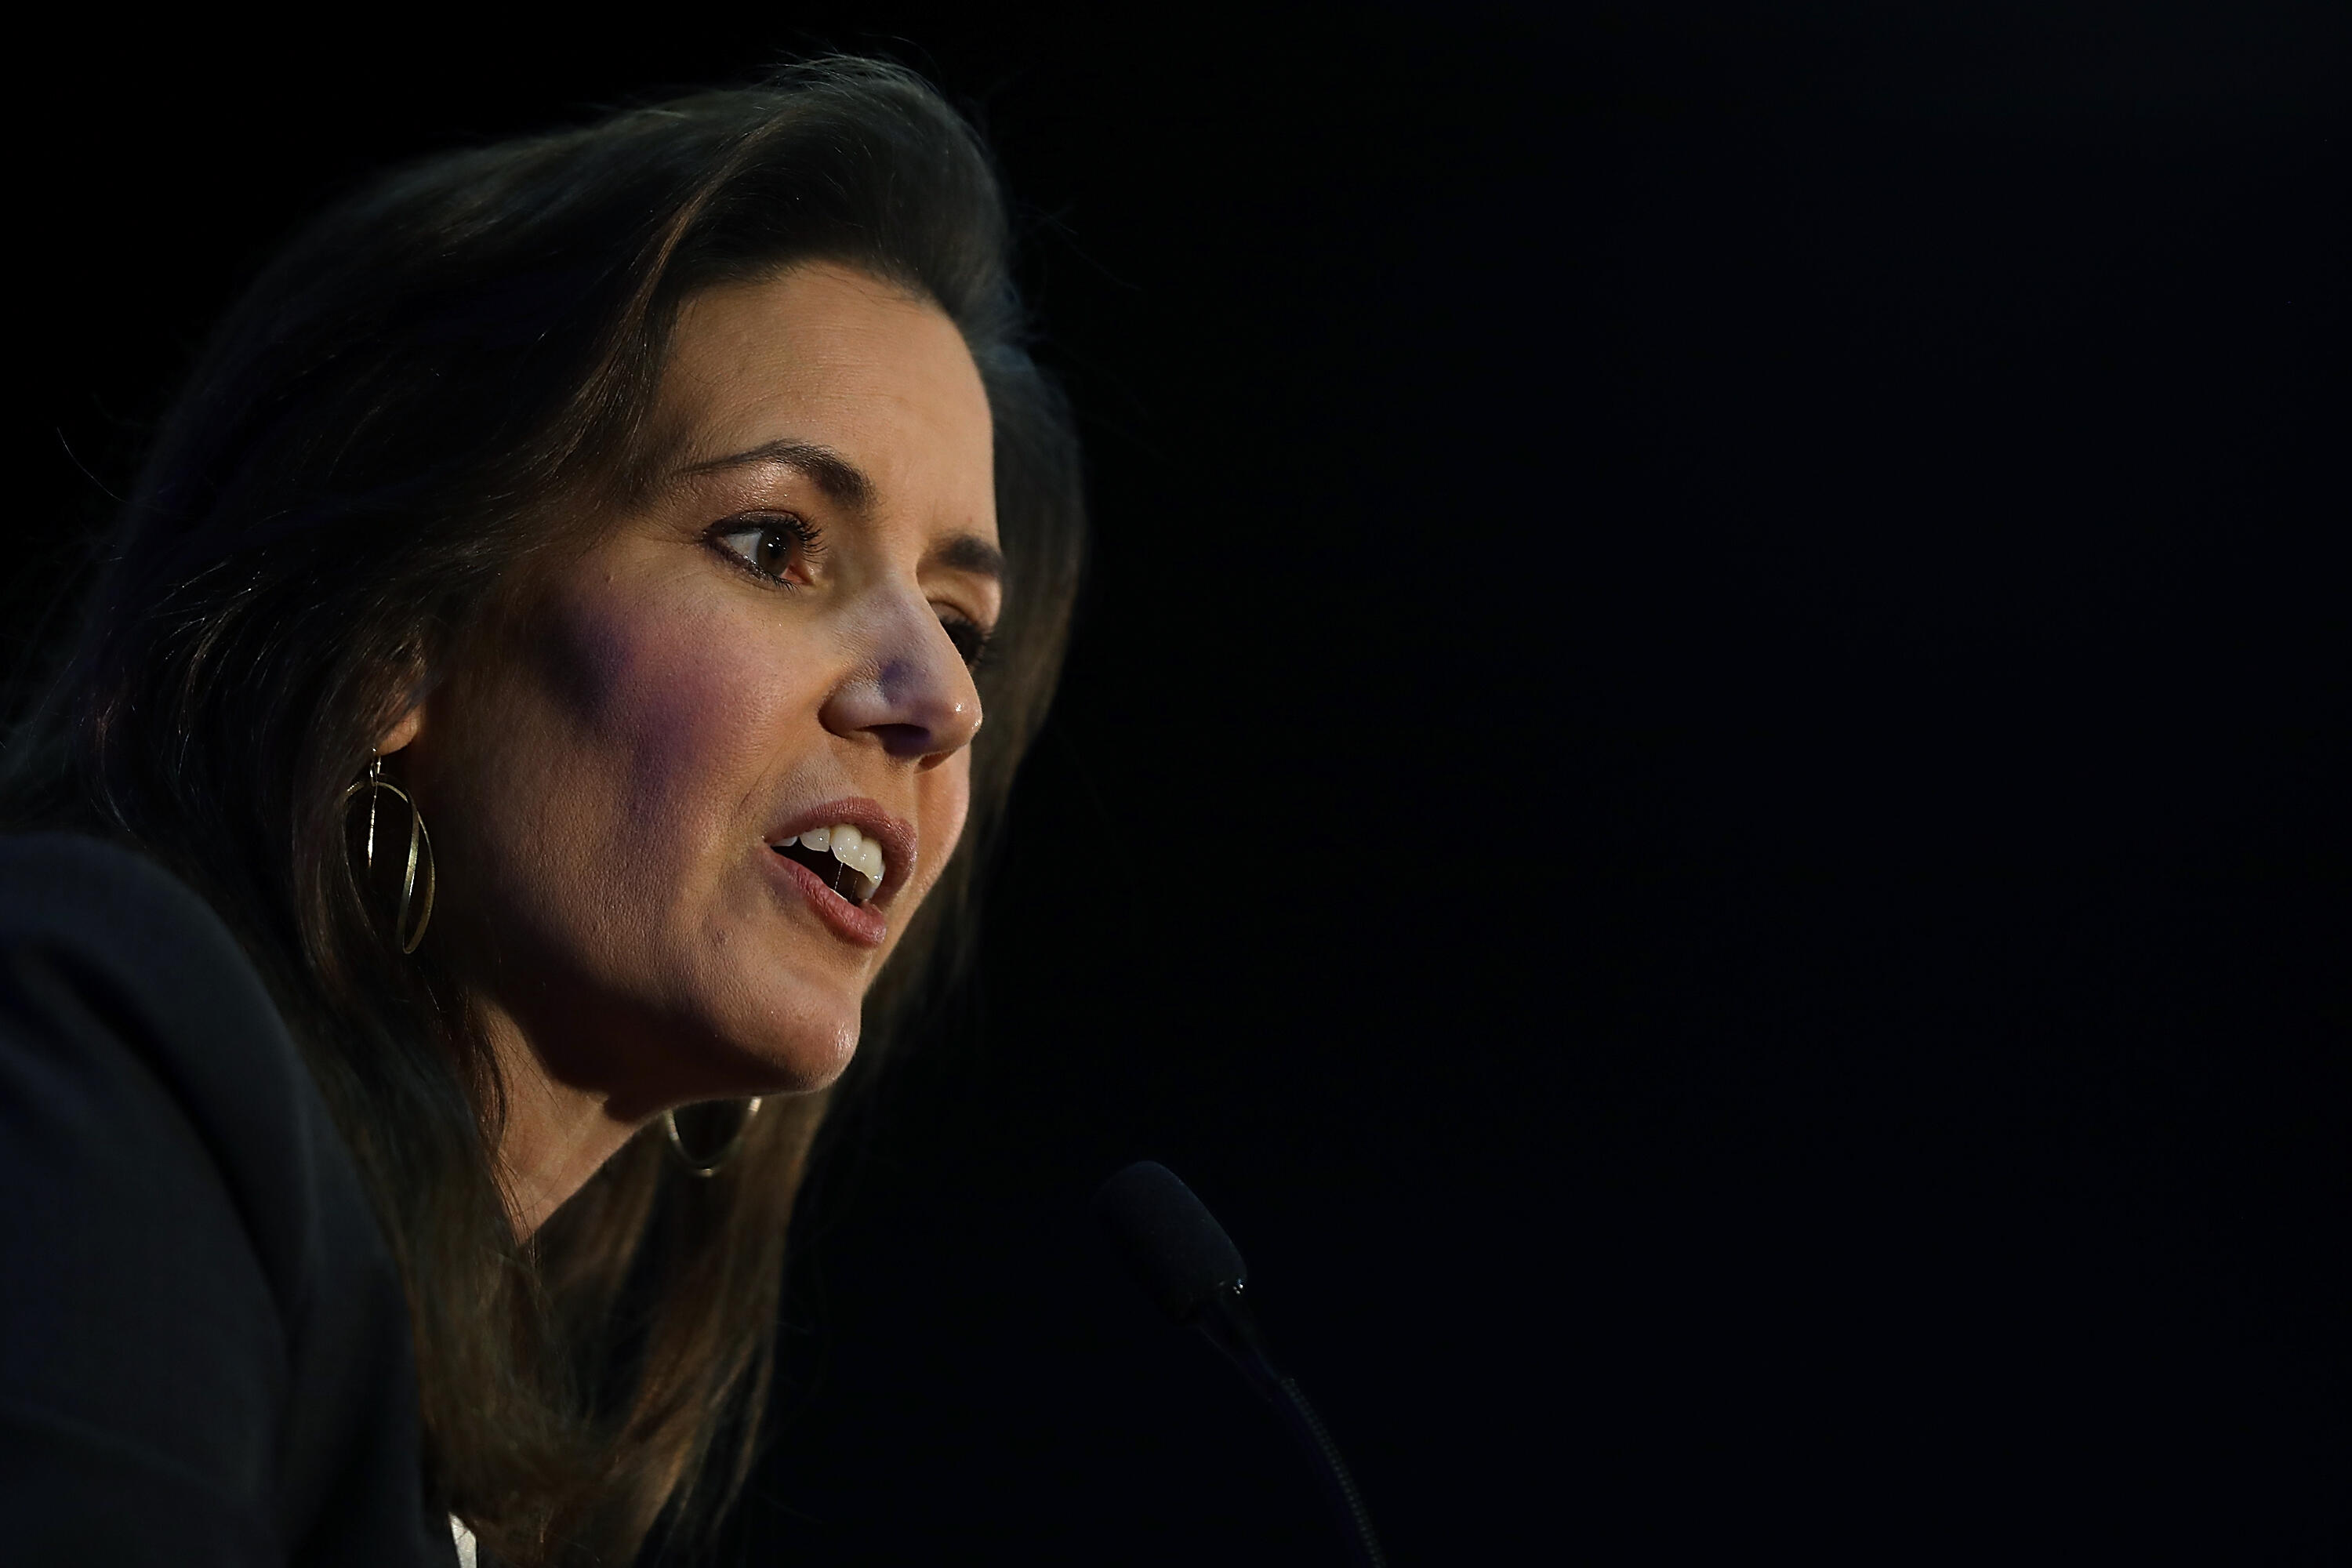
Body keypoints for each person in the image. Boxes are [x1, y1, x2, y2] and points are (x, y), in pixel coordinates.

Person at [0, 59, 1083, 1566]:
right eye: (775, 543)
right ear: (398, 644)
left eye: (961, 623)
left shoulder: (464, 1479)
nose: (941, 700)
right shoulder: (104, 1029)